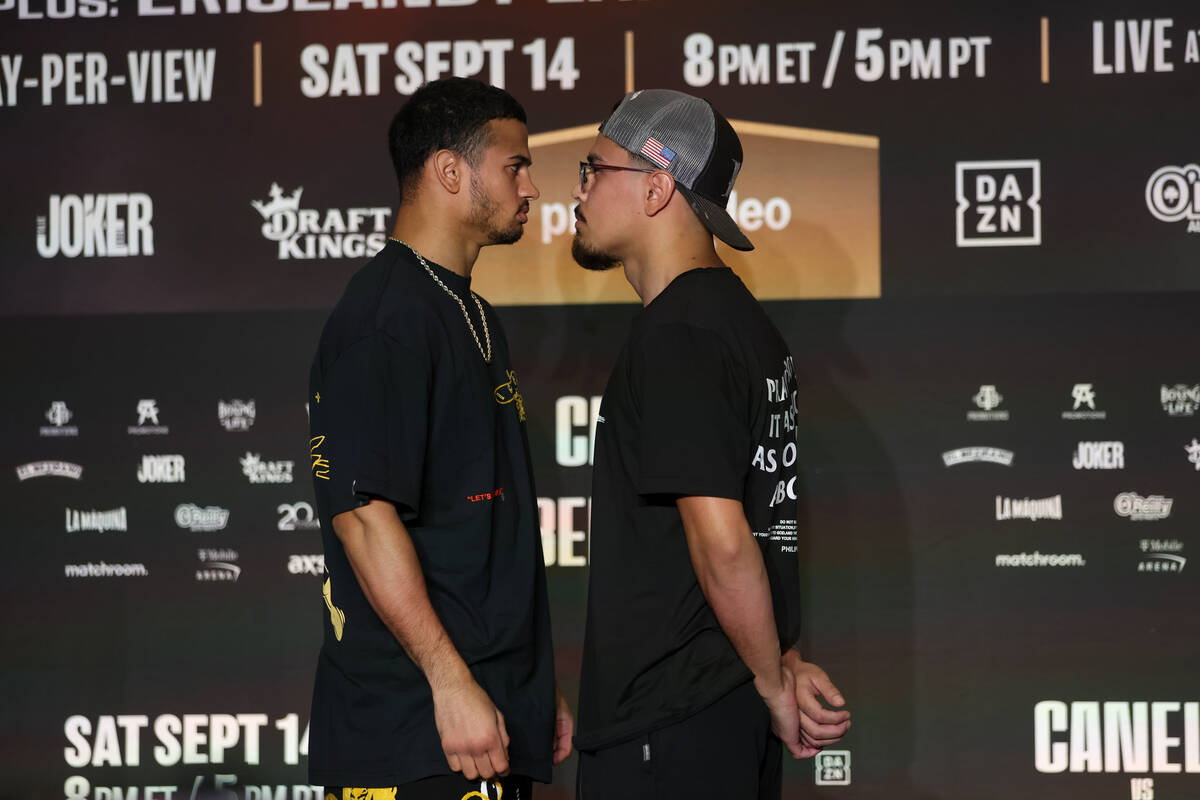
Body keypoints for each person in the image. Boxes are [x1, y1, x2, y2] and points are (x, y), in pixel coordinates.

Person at [569, 89, 852, 798]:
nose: (575, 192)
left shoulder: (678, 335)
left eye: (593, 169)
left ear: (657, 186)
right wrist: (775, 667)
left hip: (668, 722)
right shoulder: (744, 326)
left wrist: (772, 683)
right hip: (717, 710)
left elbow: (725, 541)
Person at [305, 77, 572, 800]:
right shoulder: (387, 319)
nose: (532, 187)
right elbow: (363, 515)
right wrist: (450, 683)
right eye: (515, 164)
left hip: (484, 719)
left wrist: (529, 687)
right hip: (412, 731)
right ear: (450, 171)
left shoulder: (472, 313)